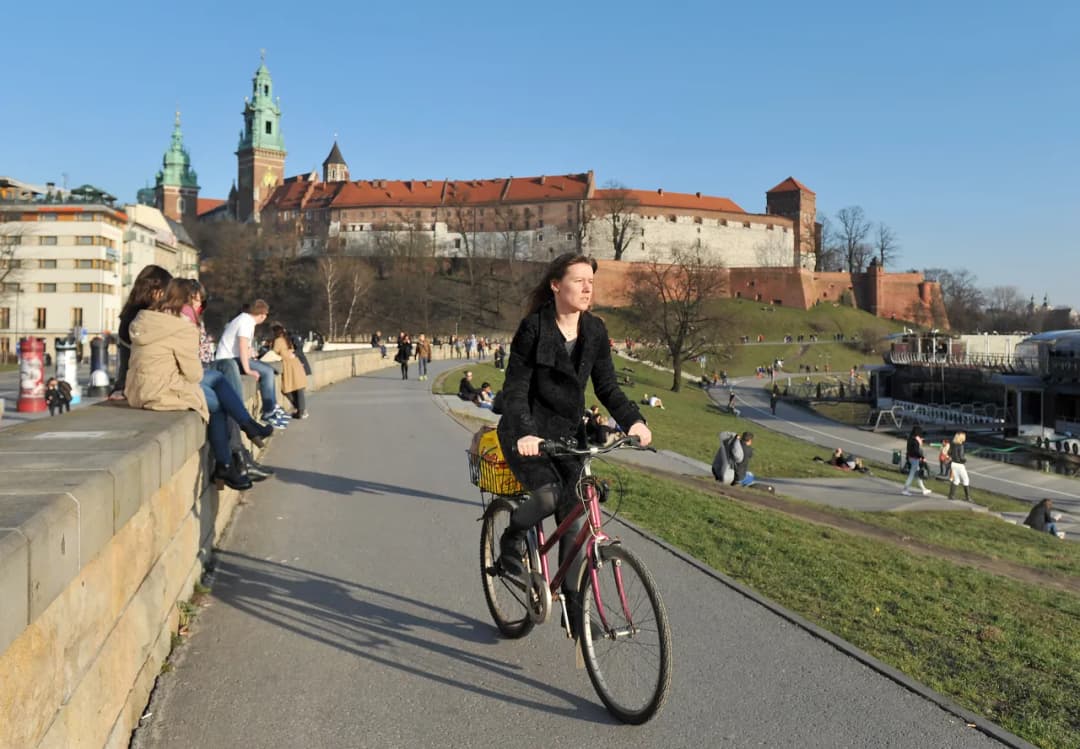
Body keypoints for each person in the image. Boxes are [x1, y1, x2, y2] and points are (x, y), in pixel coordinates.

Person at [496, 253, 651, 630]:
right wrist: (527, 432)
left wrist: (635, 420)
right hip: (525, 431)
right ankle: (511, 541)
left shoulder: (594, 330)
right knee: (548, 495)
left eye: (591, 282)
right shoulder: (534, 328)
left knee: (576, 508)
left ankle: (573, 609)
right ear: (556, 285)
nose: (587, 288)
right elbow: (515, 389)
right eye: (578, 280)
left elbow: (607, 387)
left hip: (568, 435)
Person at [127, 279, 272, 491]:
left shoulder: (148, 318)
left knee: (217, 378)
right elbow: (193, 374)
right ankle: (225, 462)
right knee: (216, 405)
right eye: (197, 302)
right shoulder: (182, 327)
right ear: (185, 302)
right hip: (162, 389)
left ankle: (248, 427)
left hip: (140, 386)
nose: (199, 307)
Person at [214, 300, 289, 429]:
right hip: (228, 360)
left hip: (231, 358)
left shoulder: (244, 320)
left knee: (268, 369)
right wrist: (248, 370)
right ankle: (269, 411)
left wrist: (251, 353)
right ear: (262, 315)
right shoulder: (246, 322)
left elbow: (244, 347)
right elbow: (243, 347)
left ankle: (272, 407)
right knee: (267, 372)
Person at [109, 264, 173, 399]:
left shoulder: (129, 316)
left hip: (136, 384)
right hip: (154, 386)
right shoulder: (147, 320)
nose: (169, 298)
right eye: (167, 292)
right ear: (155, 291)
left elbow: (125, 362)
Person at [271, 324, 309, 419]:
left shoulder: (278, 341)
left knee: (287, 389)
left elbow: (274, 353)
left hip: (288, 365)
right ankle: (301, 410)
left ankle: (301, 410)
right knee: (298, 388)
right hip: (296, 364)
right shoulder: (287, 338)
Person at [901, 424, 932, 496]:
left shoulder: (910, 438)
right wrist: (922, 457)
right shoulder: (915, 440)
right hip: (915, 459)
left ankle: (924, 489)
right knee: (911, 475)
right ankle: (905, 490)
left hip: (911, 457)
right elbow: (916, 451)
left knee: (917, 474)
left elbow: (912, 449)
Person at [947, 431, 970, 501]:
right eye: (964, 436)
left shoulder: (953, 444)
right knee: (966, 479)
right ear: (961, 437)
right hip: (959, 465)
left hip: (953, 464)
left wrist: (953, 456)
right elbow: (961, 457)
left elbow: (949, 453)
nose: (965, 437)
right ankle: (967, 497)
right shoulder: (961, 446)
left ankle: (951, 495)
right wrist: (965, 460)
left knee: (956, 480)